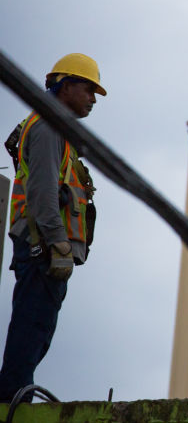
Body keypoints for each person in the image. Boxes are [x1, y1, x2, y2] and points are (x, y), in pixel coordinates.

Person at [0, 54, 105, 401]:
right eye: (89, 89)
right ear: (66, 85)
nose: (93, 99)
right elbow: (43, 192)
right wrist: (58, 243)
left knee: (36, 333)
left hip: (41, 245)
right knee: (30, 331)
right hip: (41, 245)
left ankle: (15, 400)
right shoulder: (47, 126)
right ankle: (11, 405)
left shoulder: (54, 127)